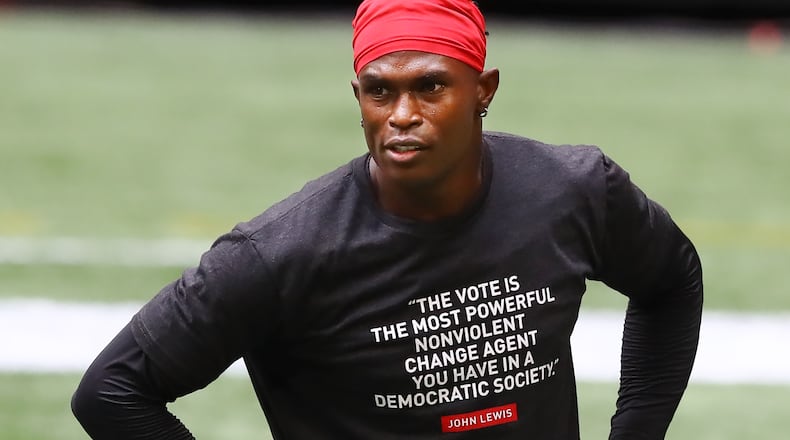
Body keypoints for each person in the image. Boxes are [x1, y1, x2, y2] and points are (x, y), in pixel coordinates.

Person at [71, 0, 703, 438]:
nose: (402, 113)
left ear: (483, 90)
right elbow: (112, 392)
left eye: (430, 88)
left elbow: (671, 281)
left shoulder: (574, 190)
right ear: (359, 98)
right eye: (381, 91)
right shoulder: (281, 254)